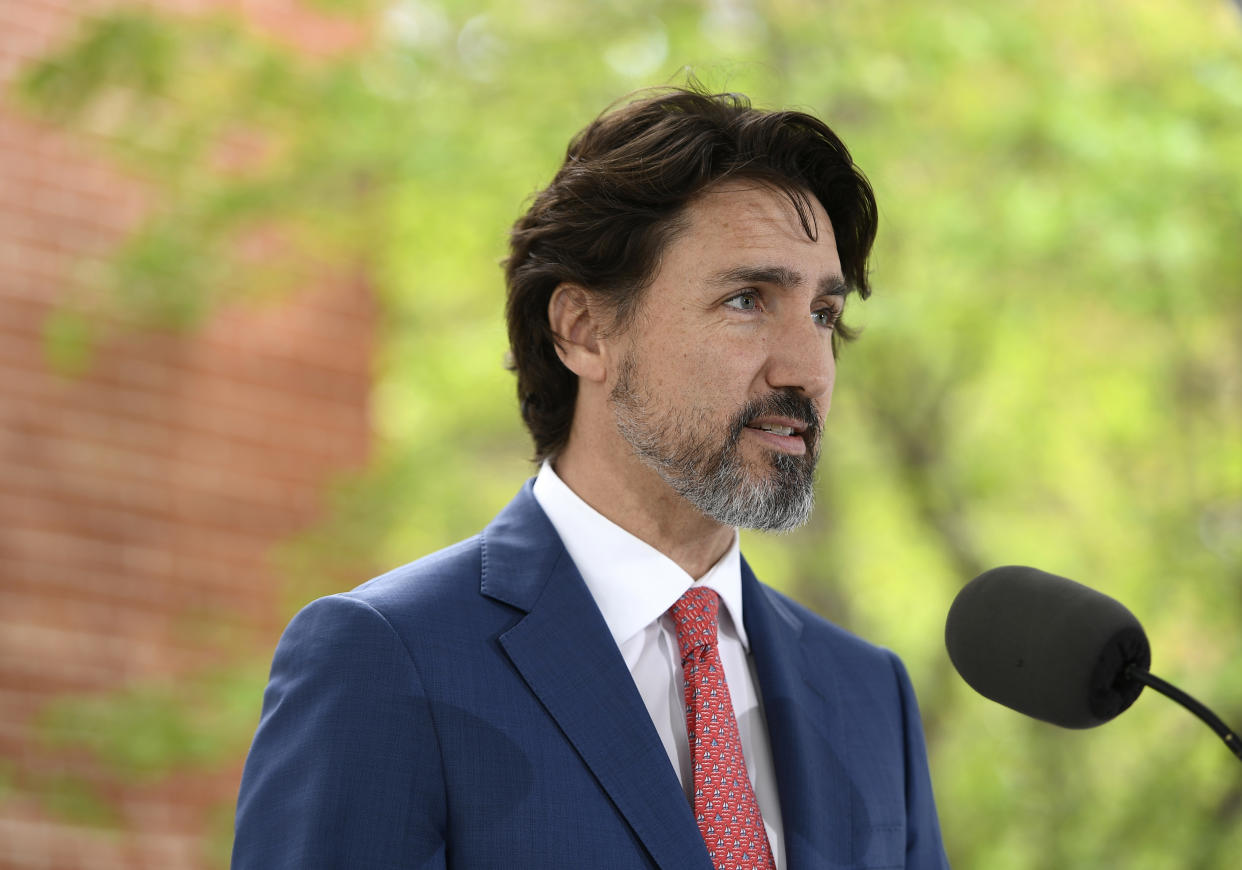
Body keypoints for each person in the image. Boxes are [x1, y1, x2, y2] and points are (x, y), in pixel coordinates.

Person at [231, 87, 950, 870]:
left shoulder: (869, 695)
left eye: (822, 315)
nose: (808, 370)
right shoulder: (385, 658)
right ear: (583, 330)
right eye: (747, 300)